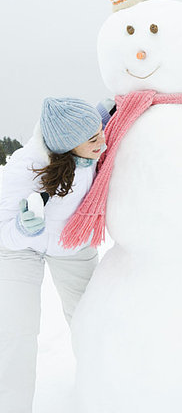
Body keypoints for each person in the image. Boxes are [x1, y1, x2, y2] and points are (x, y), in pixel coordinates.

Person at [0, 97, 107, 413]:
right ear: (66, 144)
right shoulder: (25, 167)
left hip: (71, 243)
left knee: (92, 320)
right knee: (17, 330)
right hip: (18, 249)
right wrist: (23, 227)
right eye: (92, 139)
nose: (103, 141)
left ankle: (103, 395)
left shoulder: (90, 146)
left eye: (100, 131)